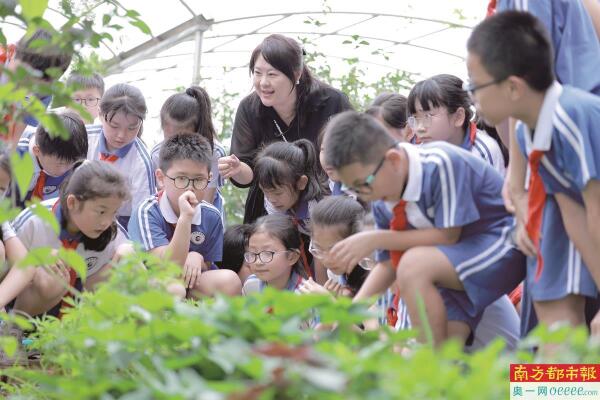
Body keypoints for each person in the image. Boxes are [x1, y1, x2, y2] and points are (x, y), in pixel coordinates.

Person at [322, 111, 525, 346]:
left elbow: (448, 236)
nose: (363, 196)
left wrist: (376, 239)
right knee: (442, 347)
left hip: (503, 246)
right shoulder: (382, 198)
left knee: (413, 265)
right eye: (353, 189)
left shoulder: (439, 163)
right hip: (455, 270)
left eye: (363, 184)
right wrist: (352, 311)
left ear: (394, 161)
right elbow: (388, 264)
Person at [466, 10, 600, 338]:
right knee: (571, 339)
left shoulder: (572, 118)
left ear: (513, 87)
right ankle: (555, 376)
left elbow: (596, 210)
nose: (473, 99)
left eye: (476, 86)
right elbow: (574, 216)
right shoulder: (529, 134)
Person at [218, 33, 352, 224]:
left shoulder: (332, 102)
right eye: (257, 73)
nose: (263, 82)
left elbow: (352, 153)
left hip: (327, 208)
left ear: (297, 74)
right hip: (272, 209)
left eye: (272, 74)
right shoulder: (249, 108)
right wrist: (237, 169)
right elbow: (249, 174)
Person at [9, 161, 131, 317]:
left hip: (81, 296)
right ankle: (14, 326)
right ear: (72, 202)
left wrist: (127, 249)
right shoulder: (35, 220)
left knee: (130, 262)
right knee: (53, 275)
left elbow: (129, 249)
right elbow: (7, 266)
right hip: (30, 297)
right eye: (101, 212)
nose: (107, 222)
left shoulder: (109, 229)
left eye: (114, 213)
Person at [128, 133, 241, 298]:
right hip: (155, 280)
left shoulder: (211, 215)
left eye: (199, 179)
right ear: (161, 178)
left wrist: (198, 258)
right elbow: (166, 268)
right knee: (174, 289)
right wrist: (185, 219)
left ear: (209, 179)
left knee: (230, 280)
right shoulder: (147, 211)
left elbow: (208, 264)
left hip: (190, 282)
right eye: (181, 178)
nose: (190, 187)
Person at [254, 138, 328, 281]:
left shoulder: (318, 208)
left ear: (301, 183)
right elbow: (279, 237)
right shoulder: (272, 199)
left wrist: (320, 290)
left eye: (277, 193)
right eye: (265, 191)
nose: (271, 199)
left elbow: (320, 253)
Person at [407, 74, 506, 175]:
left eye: (428, 116)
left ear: (458, 117)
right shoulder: (418, 154)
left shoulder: (483, 151)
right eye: (415, 118)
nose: (419, 128)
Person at [86, 83, 155, 228]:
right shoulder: (85, 138)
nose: (121, 135)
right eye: (114, 126)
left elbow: (142, 214)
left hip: (120, 221)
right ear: (100, 114)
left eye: (132, 128)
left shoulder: (141, 162)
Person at [150, 87, 226, 212]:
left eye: (180, 138)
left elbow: (206, 202)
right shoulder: (157, 154)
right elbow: (163, 196)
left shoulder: (214, 153)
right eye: (169, 137)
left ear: (196, 130)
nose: (174, 145)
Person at [0, 29, 73, 146]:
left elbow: (11, 141)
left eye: (32, 88)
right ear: (14, 53)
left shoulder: (44, 94)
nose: (22, 90)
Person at [15, 111, 88, 208]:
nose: (64, 170)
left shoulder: (76, 160)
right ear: (37, 151)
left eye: (71, 163)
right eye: (60, 164)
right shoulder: (14, 157)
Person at [242, 214, 308, 295]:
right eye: (252, 253)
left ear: (292, 257)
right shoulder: (251, 285)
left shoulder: (306, 295)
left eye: (267, 253)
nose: (258, 262)